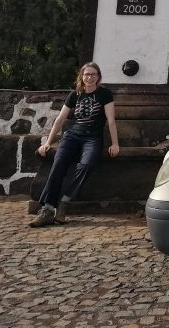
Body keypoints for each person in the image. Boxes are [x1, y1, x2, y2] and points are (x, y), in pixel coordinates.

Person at [28, 62, 120, 227]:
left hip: (92, 137)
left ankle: (64, 202)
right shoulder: (75, 94)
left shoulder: (104, 94)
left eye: (93, 74)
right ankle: (47, 210)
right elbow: (60, 120)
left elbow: (111, 120)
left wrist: (115, 144)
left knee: (87, 165)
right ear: (81, 77)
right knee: (58, 164)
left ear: (98, 77)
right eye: (86, 74)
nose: (89, 77)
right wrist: (48, 142)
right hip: (72, 136)